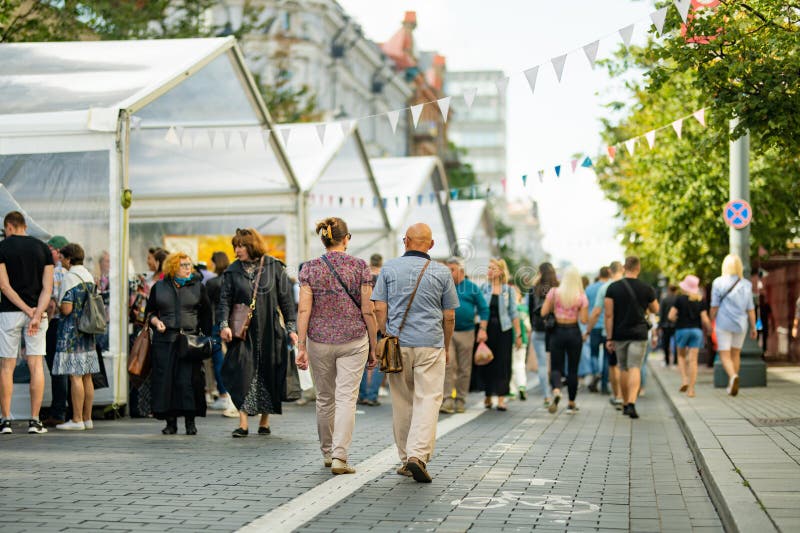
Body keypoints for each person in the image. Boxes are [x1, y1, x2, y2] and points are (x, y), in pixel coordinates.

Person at [372, 223, 458, 483]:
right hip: (430, 344)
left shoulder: (389, 268)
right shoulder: (442, 272)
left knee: (402, 401)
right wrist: (447, 344)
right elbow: (450, 315)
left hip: (398, 344)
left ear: (405, 241)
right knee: (428, 399)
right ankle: (417, 455)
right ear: (431, 245)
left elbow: (378, 309)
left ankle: (405, 458)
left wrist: (387, 334)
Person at [296, 218, 378, 475]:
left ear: (323, 240)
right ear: (347, 238)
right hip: (354, 340)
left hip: (318, 340)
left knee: (324, 398)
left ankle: (327, 453)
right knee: (346, 399)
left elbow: (304, 309)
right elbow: (368, 309)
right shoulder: (360, 267)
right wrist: (374, 346)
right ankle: (341, 457)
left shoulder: (309, 268)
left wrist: (301, 346)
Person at [218, 228, 297, 438]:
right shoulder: (232, 271)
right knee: (242, 372)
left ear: (251, 245)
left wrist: (291, 328)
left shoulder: (273, 267)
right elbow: (224, 300)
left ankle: (264, 421)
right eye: (235, 245)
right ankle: (243, 423)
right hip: (242, 332)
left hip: (270, 331)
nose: (237, 250)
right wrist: (223, 325)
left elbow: (286, 301)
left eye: (241, 245)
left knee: (268, 373)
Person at [0, 212, 54, 435]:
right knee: (35, 365)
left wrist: (25, 310)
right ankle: (35, 420)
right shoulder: (43, 249)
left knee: (6, 366)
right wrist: (36, 313)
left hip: (9, 313)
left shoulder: (2, 248)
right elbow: (47, 288)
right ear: (24, 225)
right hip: (37, 315)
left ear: (9, 227)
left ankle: (5, 421)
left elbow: (4, 286)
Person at [146, 252, 211, 435]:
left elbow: (206, 314)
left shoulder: (198, 287)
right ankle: (170, 423)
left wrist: (205, 339)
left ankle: (190, 422)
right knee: (166, 382)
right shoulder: (159, 287)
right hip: (164, 342)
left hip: (189, 342)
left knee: (189, 382)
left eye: (189, 264)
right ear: (174, 267)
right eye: (183, 265)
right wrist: (155, 322)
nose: (188, 267)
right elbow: (150, 312)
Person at [51, 244, 99, 430]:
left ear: (70, 259)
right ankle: (87, 418)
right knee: (87, 376)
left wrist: (57, 301)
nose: (61, 260)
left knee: (75, 376)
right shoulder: (87, 275)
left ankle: (77, 419)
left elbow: (67, 308)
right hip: (88, 331)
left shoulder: (70, 277)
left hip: (73, 332)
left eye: (63, 257)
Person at [604, 256, 658, 419]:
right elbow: (655, 308)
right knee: (635, 366)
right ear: (638, 268)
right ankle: (632, 403)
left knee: (623, 367)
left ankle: (625, 401)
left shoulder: (613, 288)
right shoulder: (646, 288)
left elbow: (608, 315)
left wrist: (609, 338)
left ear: (624, 268)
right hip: (639, 334)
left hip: (619, 334)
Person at [440, 257, 488, 414]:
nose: (449, 272)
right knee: (448, 364)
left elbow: (483, 309)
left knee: (464, 368)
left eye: (451, 269)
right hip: (447, 331)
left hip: (467, 331)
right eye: (447, 269)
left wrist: (482, 328)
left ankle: (460, 400)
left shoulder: (472, 287)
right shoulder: (444, 287)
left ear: (461, 271)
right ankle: (447, 399)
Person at [541, 266, 588, 414]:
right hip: (574, 332)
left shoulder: (554, 293)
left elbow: (543, 312)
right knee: (573, 369)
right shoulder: (581, 296)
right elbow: (584, 320)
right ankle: (571, 403)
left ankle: (556, 390)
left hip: (557, 332)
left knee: (556, 367)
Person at [710, 254, 756, 396]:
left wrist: (711, 320)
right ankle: (733, 382)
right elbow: (750, 308)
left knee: (724, 354)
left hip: (723, 323)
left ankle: (733, 377)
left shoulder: (718, 282)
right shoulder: (746, 284)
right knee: (736, 353)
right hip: (741, 324)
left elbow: (714, 306)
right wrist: (754, 327)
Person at [479, 259, 521, 412]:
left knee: (503, 363)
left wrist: (518, 334)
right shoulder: (483, 288)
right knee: (487, 362)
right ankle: (488, 395)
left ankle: (501, 399)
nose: (489, 271)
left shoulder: (508, 290)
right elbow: (478, 310)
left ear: (501, 271)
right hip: (487, 330)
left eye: (493, 268)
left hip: (504, 330)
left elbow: (514, 313)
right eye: (488, 268)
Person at [42, 235, 70, 428]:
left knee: (57, 369)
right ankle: (69, 410)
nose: (47, 251)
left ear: (59, 251)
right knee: (65, 369)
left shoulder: (55, 272)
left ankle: (58, 411)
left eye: (50, 248)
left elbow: (51, 302)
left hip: (55, 323)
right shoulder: (72, 272)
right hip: (68, 325)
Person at [587, 261, 624, 406]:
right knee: (622, 364)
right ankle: (613, 391)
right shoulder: (628, 286)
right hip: (625, 329)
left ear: (610, 271)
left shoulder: (599, 288)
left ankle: (615, 392)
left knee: (605, 359)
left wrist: (588, 329)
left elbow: (596, 311)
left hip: (604, 329)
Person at [669, 275, 711, 398]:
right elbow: (704, 318)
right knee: (693, 361)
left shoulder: (679, 299)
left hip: (682, 330)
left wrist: (678, 319)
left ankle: (684, 380)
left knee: (681, 356)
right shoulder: (700, 300)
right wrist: (709, 328)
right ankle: (691, 390)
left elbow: (671, 316)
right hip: (696, 331)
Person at [205, 251, 235, 415]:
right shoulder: (234, 279)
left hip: (217, 324)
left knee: (218, 360)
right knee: (234, 359)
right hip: (235, 325)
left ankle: (224, 394)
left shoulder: (212, 283)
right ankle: (233, 396)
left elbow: (208, 306)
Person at [528, 262, 558, 407]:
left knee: (542, 364)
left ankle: (546, 396)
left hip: (538, 330)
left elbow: (529, 310)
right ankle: (556, 389)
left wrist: (533, 324)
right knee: (555, 363)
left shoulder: (534, 289)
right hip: (555, 330)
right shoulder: (557, 288)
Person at [358, 253, 386, 407]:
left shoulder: (364, 275)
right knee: (378, 359)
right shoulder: (385, 276)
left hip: (365, 321)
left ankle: (362, 395)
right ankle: (372, 395)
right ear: (381, 262)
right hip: (381, 321)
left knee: (362, 359)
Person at [583, 267, 609, 392]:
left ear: (599, 274)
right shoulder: (611, 287)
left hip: (593, 325)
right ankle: (604, 385)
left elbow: (585, 306)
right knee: (606, 357)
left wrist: (587, 327)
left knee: (594, 353)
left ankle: (596, 372)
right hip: (607, 326)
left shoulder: (589, 288)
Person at [510, 284, 530, 401]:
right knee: (520, 364)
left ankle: (512, 390)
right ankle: (522, 385)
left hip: (511, 338)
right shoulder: (524, 309)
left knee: (511, 364)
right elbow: (528, 327)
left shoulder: (509, 309)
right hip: (523, 340)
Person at [658, 285, 679, 367]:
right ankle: (675, 361)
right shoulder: (678, 299)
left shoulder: (664, 299)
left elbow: (661, 313)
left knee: (665, 344)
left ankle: (667, 361)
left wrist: (660, 325)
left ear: (669, 290)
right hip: (676, 324)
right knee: (677, 343)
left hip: (665, 325)